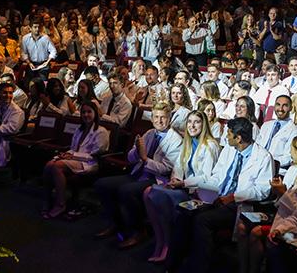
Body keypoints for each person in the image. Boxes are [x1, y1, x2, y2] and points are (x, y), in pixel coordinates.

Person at [185, 118, 274, 273]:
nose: (226, 137)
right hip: (219, 197)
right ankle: (184, 261)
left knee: (202, 220)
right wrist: (201, 189)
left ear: (238, 138)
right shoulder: (229, 149)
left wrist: (234, 197)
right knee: (186, 210)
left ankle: (201, 267)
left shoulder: (263, 157)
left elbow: (262, 190)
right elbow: (217, 176)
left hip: (239, 204)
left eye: (229, 134)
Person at [94, 103, 182, 248]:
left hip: (156, 178)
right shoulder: (149, 133)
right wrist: (136, 151)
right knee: (102, 184)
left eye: (163, 118)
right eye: (156, 117)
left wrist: (145, 158)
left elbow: (166, 169)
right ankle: (117, 223)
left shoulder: (176, 140)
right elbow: (130, 158)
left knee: (126, 191)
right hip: (138, 173)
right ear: (152, 118)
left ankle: (138, 231)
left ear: (170, 118)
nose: (159, 121)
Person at [237, 134, 297, 273]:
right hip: (281, 213)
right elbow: (282, 201)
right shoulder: (294, 169)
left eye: (292, 149)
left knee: (256, 232)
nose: (290, 153)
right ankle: (244, 269)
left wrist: (283, 193)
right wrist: (278, 192)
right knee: (242, 226)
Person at [144, 110, 220, 263]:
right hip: (184, 187)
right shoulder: (188, 142)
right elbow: (178, 167)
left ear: (204, 125)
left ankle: (168, 245)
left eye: (196, 122)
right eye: (189, 121)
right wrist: (175, 180)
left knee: (157, 195)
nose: (192, 125)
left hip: (201, 193)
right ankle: (162, 241)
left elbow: (206, 177)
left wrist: (183, 183)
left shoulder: (210, 145)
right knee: (148, 193)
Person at [42, 101, 109, 218]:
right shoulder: (80, 129)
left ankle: (60, 204)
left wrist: (73, 156)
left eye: (89, 112)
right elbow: (73, 148)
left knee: (56, 166)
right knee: (49, 164)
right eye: (83, 112)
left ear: (95, 114)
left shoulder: (101, 131)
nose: (86, 115)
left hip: (89, 163)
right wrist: (66, 155)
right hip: (75, 159)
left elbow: (94, 155)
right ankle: (48, 200)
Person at [256, 95, 297, 174]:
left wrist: (268, 161)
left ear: (291, 108)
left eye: (285, 106)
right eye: (278, 105)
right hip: (257, 165)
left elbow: (289, 157)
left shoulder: (295, 132)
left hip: (276, 171)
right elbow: (257, 146)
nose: (280, 109)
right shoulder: (266, 125)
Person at [0, 83, 25, 172]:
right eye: (5, 92)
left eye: (10, 93)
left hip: (6, 141)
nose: (8, 95)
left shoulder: (17, 112)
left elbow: (9, 129)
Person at [20, 19, 57, 83]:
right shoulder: (25, 38)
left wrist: (48, 61)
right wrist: (29, 63)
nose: (37, 29)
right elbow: (23, 53)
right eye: (35, 27)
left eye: (38, 27)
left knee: (43, 83)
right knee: (29, 83)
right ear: (30, 28)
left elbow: (53, 51)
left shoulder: (46, 38)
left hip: (44, 64)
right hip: (31, 64)